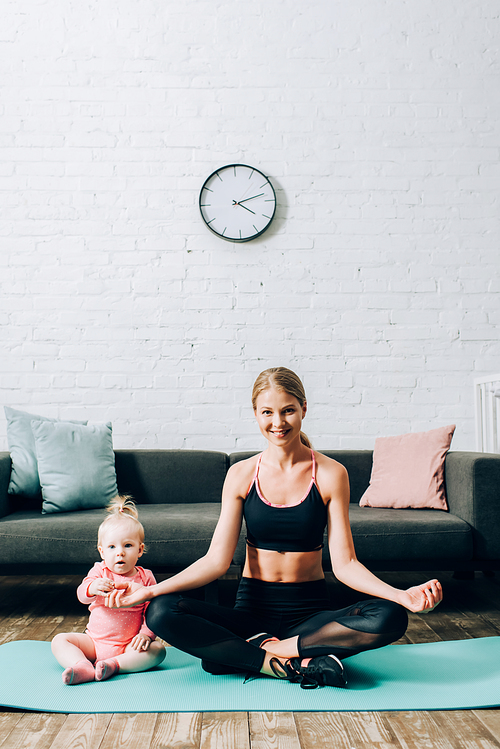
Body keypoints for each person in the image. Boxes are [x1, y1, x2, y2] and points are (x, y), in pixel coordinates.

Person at [105, 367, 442, 689]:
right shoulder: (241, 473)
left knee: (390, 616)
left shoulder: (330, 473)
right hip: (250, 614)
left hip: (309, 618)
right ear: (255, 414)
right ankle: (291, 664)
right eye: (267, 412)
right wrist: (149, 591)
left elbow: (345, 565)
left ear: (303, 409)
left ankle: (250, 655)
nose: (278, 422)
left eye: (288, 411)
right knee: (162, 611)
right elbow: (216, 562)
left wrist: (402, 595)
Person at [51, 495, 166, 685]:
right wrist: (92, 587)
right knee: (59, 640)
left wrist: (146, 635)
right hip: (94, 643)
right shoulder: (99, 571)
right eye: (112, 547)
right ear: (102, 551)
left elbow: (152, 610)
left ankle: (114, 665)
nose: (119, 552)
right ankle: (82, 666)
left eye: (127, 545)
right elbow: (82, 596)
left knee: (158, 651)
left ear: (140, 549)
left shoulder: (146, 577)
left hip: (128, 646)